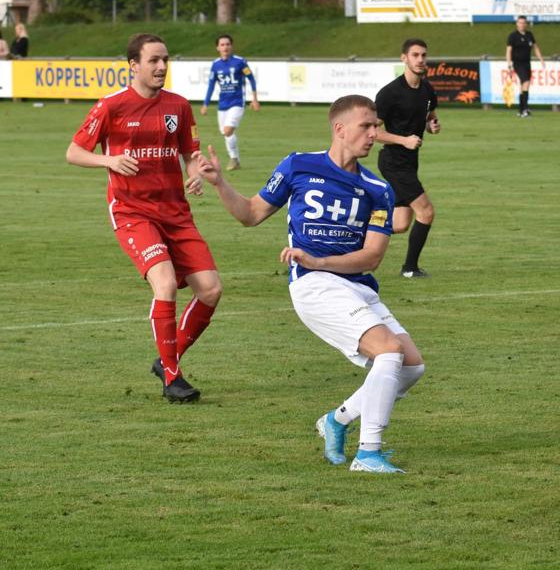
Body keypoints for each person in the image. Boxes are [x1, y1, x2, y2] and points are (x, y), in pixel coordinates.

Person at [197, 94, 425, 474]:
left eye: (376, 127)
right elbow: (251, 214)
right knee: (388, 352)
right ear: (339, 128)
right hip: (314, 285)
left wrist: (321, 258)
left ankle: (337, 420)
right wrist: (220, 182)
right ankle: (369, 453)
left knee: (412, 367)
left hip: (354, 283)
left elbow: (372, 257)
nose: (374, 134)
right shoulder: (297, 165)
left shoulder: (378, 188)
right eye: (366, 126)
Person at [65, 33, 222, 403]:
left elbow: (189, 152)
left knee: (211, 290)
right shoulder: (111, 106)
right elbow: (74, 151)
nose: (161, 67)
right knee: (165, 284)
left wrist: (197, 173)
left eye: (165, 59)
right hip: (132, 212)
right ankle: (172, 377)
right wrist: (108, 160)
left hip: (176, 213)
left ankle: (167, 358)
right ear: (133, 65)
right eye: (153, 60)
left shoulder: (179, 107)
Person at [375, 38, 440, 279]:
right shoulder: (390, 93)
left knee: (400, 224)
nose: (421, 60)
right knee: (426, 212)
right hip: (393, 162)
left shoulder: (427, 89)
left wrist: (432, 125)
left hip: (410, 163)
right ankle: (410, 268)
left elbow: (430, 116)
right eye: (415, 55)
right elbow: (373, 132)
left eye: (424, 55)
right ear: (404, 58)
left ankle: (353, 228)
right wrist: (404, 140)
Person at [201, 34, 259, 171]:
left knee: (227, 131)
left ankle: (233, 159)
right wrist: (205, 104)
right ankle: (236, 160)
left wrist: (254, 98)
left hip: (238, 102)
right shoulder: (215, 65)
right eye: (222, 45)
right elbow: (211, 85)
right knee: (226, 133)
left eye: (227, 44)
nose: (225, 47)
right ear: (217, 48)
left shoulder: (240, 62)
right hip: (222, 105)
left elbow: (251, 79)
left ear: (231, 46)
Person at [505, 15, 544, 118]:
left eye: (524, 23)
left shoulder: (529, 35)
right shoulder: (513, 36)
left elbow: (535, 47)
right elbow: (508, 51)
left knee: (523, 87)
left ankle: (521, 110)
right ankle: (525, 110)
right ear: (517, 24)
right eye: (520, 22)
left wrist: (541, 59)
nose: (522, 24)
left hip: (527, 63)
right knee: (526, 82)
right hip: (518, 64)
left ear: (526, 24)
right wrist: (509, 64)